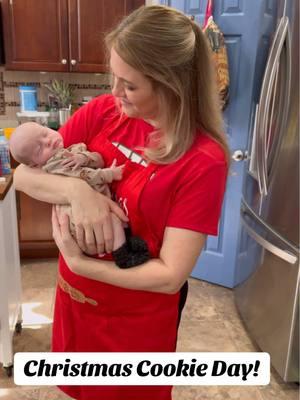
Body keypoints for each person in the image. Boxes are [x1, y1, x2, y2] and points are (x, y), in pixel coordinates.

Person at [13, 5, 229, 400]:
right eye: (114, 77)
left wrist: (81, 263)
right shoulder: (104, 114)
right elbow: (24, 174)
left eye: (129, 85)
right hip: (76, 300)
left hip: (133, 322)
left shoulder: (204, 160)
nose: (114, 93)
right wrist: (77, 193)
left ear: (172, 85)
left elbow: (168, 277)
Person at [10, 122, 150, 268]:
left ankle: (125, 242)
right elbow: (85, 175)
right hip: (77, 221)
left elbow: (98, 158)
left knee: (116, 220)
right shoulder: (55, 163)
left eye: (45, 133)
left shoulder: (67, 150)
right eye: (40, 149)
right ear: (34, 164)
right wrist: (110, 174)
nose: (49, 141)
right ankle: (122, 254)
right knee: (113, 220)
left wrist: (83, 157)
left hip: (94, 208)